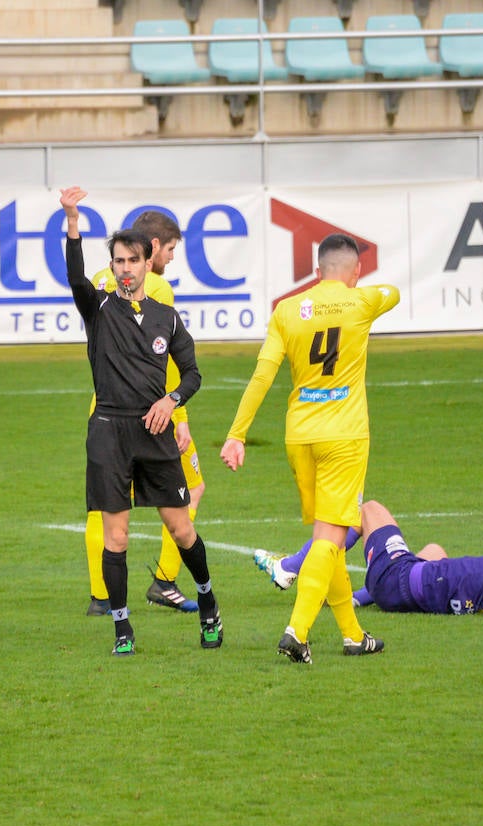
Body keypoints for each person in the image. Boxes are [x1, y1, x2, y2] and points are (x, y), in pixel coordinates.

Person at [220, 232, 400, 664]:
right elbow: (391, 293)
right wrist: (361, 291)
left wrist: (236, 433)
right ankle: (296, 632)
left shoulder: (286, 311)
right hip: (345, 437)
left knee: (327, 534)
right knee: (331, 536)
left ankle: (353, 636)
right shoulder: (363, 302)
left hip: (300, 436)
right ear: (355, 271)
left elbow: (263, 375)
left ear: (317, 269)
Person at [60, 186, 222, 656]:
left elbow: (192, 374)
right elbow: (74, 276)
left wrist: (171, 402)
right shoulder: (99, 309)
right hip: (109, 432)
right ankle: (122, 628)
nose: (126, 269)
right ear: (112, 267)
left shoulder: (166, 318)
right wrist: (73, 223)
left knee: (181, 529)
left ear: (148, 263)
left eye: (132, 260)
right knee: (117, 535)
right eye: (118, 262)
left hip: (155, 435)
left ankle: (208, 601)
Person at [83, 211, 206, 617]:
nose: (170, 258)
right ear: (153, 250)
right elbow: (163, 363)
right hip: (150, 417)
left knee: (106, 510)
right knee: (193, 491)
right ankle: (165, 581)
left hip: (106, 409)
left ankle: (101, 596)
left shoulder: (105, 280)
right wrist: (178, 413)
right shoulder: (156, 289)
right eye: (170, 249)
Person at [255, 500, 483, 615]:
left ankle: (289, 567)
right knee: (436, 550)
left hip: (397, 581)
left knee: (367, 510)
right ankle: (360, 599)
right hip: (415, 589)